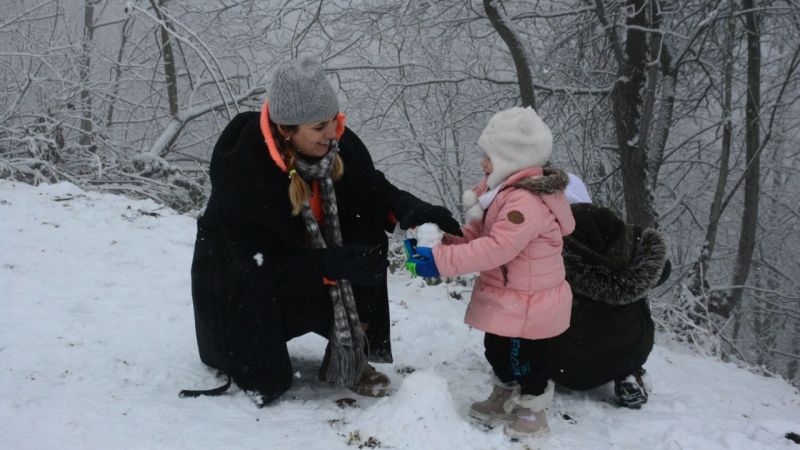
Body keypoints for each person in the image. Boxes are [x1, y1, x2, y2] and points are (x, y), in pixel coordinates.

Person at [184, 57, 461, 406]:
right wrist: (330, 265)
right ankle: (250, 352)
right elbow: (261, 266)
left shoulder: (336, 144)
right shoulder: (243, 173)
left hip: (303, 273)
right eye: (319, 127)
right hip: (239, 287)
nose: (332, 134)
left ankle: (348, 353)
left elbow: (372, 191)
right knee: (268, 381)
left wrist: (411, 210)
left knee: (365, 241)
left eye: (335, 121)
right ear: (286, 130)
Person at [405, 106, 575, 439]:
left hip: (530, 302)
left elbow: (497, 248)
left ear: (513, 159)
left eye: (490, 157)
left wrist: (442, 261)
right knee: (497, 350)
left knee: (528, 360)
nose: (483, 164)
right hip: (509, 297)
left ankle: (532, 410)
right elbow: (479, 235)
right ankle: (505, 393)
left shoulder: (525, 203)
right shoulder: (503, 194)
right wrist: (444, 242)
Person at [529, 174, 671, 409]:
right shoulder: (630, 239)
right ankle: (628, 374)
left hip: (558, 361)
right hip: (623, 356)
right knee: (638, 298)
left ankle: (533, 374)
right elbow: (664, 271)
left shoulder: (544, 246)